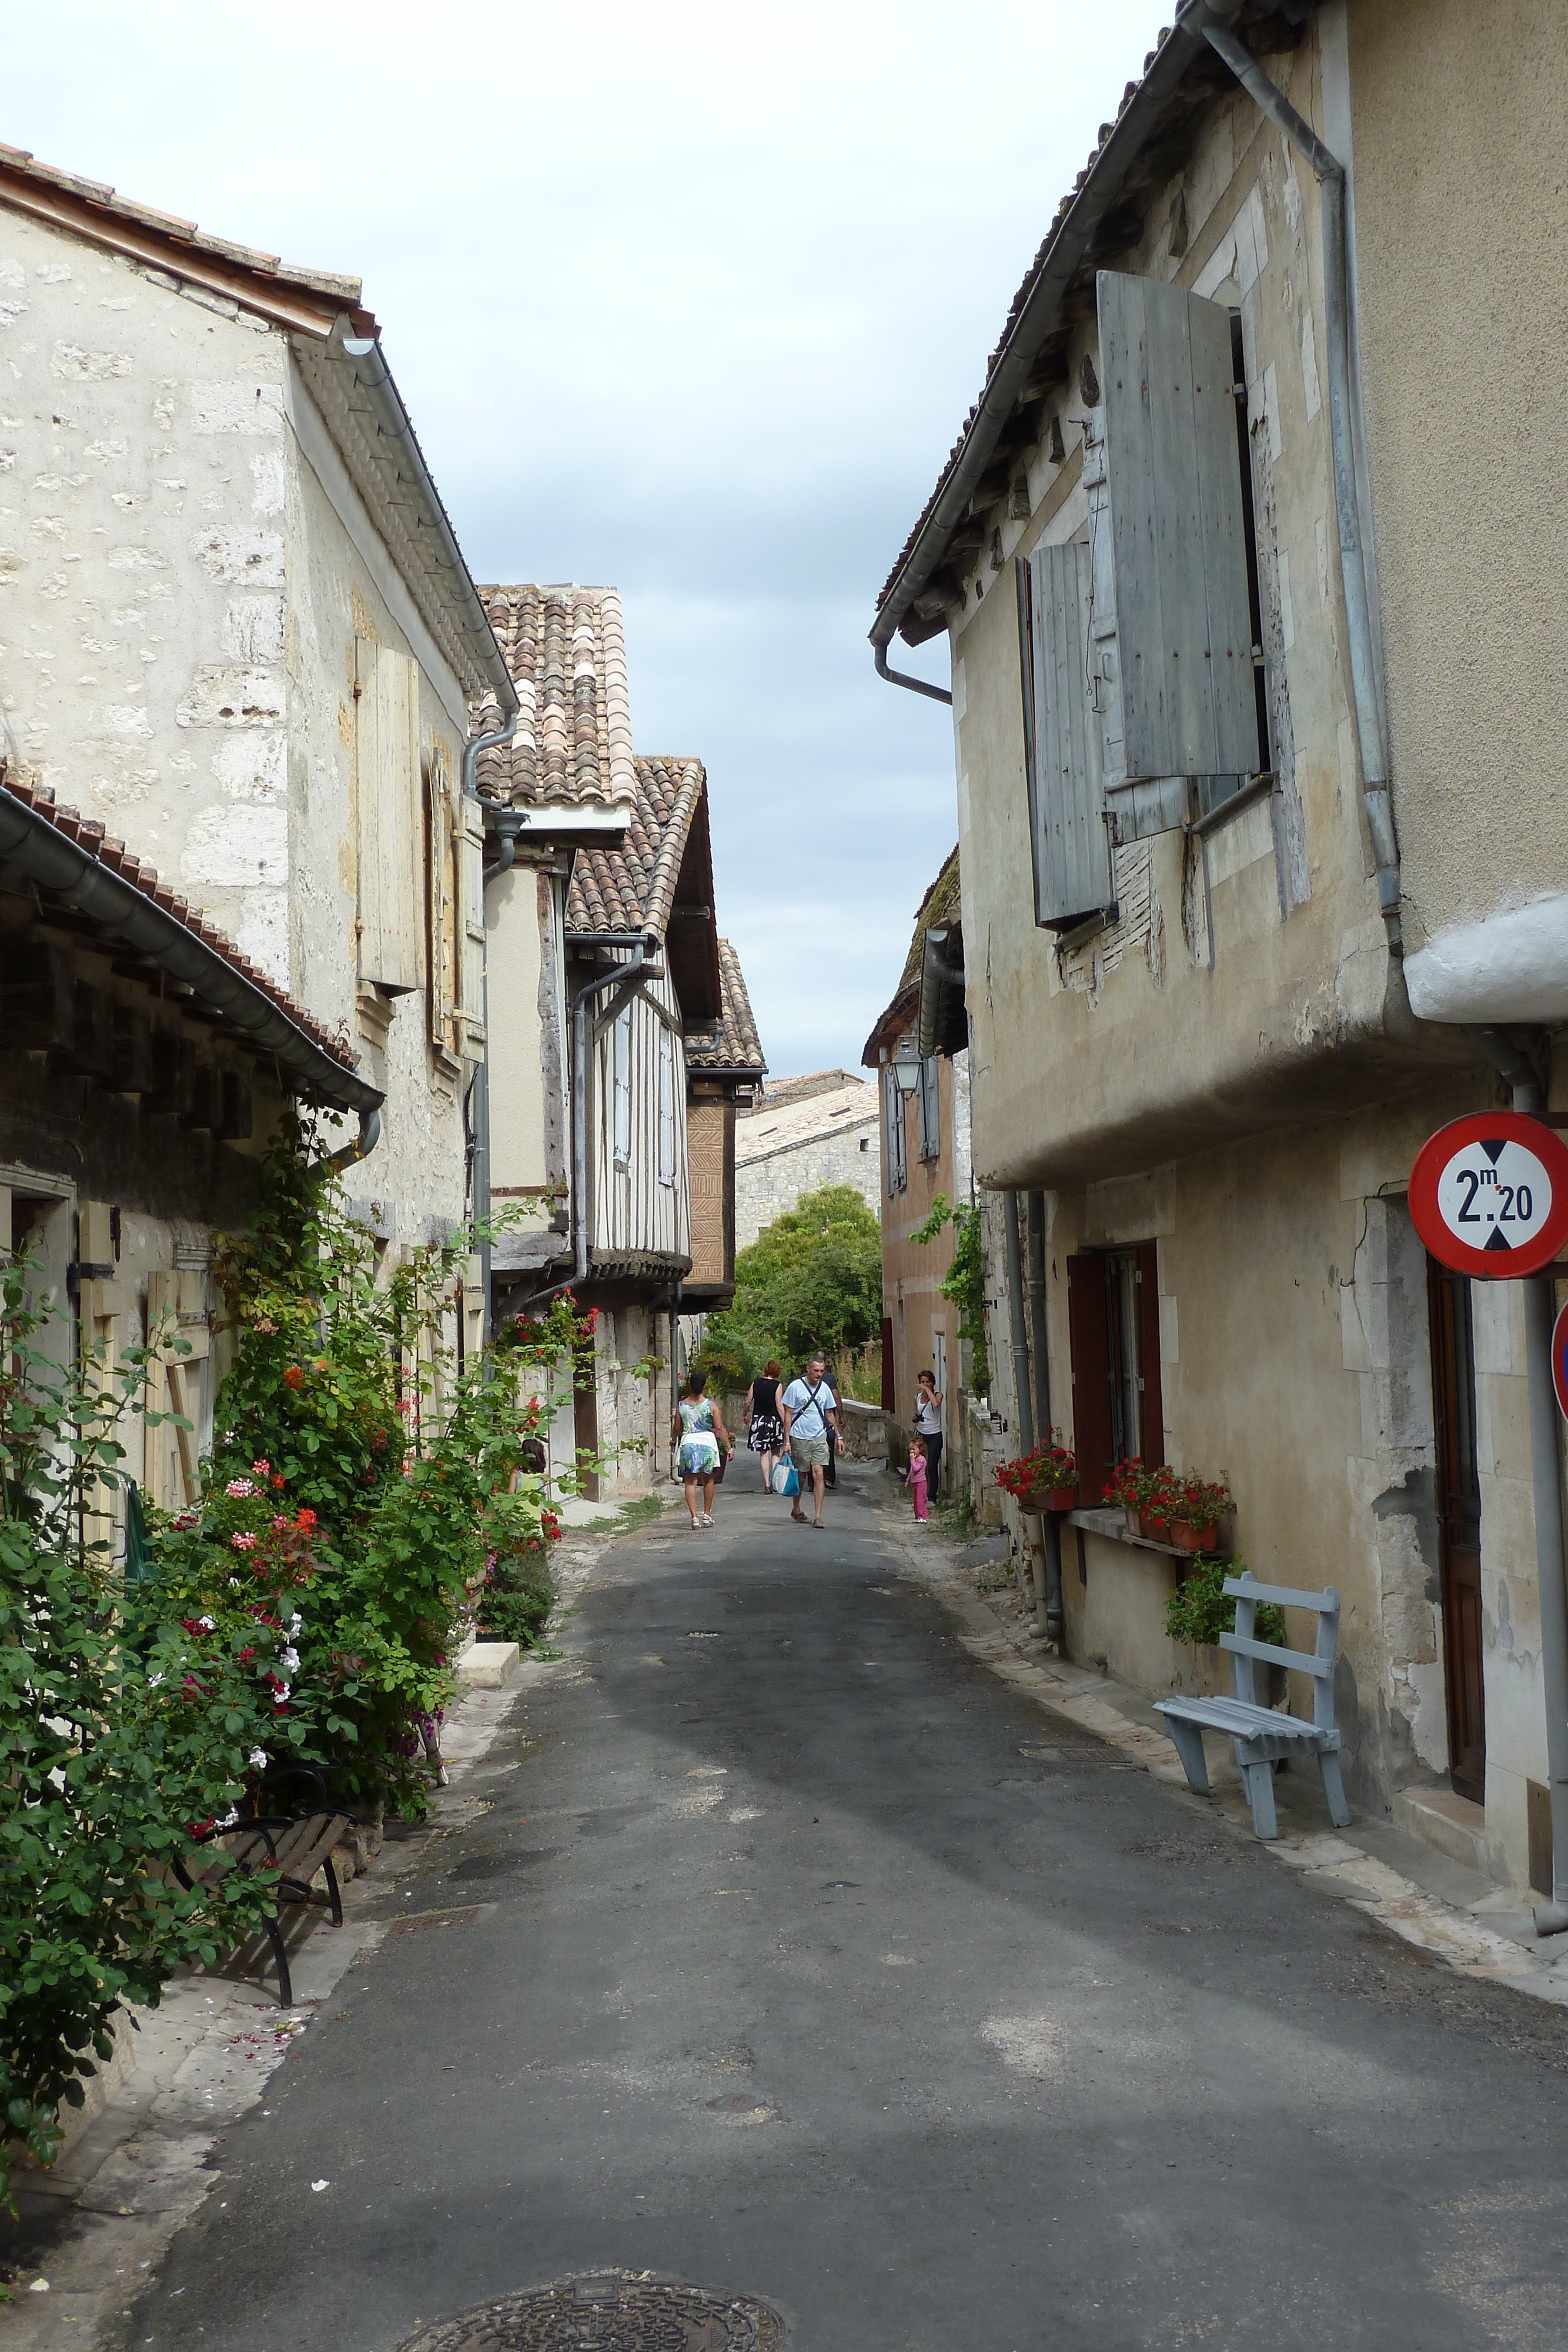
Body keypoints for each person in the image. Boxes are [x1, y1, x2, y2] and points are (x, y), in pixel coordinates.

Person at [779, 1351, 844, 1529]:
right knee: (801, 1476)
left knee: (819, 1474)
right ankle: (797, 1508)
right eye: (816, 1370)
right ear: (808, 1369)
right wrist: (787, 1442)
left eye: (822, 1371)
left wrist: (839, 1436)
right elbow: (788, 1416)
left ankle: (818, 1516)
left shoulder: (824, 1389)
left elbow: (830, 1413)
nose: (819, 1374)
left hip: (819, 1436)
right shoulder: (795, 1387)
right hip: (799, 1436)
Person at [671, 1368, 734, 1529]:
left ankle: (694, 1518)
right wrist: (728, 1447)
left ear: (690, 1386)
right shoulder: (712, 1406)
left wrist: (672, 1440)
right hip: (707, 1444)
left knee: (690, 1482)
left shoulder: (682, 1406)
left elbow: (677, 1427)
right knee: (709, 1480)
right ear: (704, 1387)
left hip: (688, 1444)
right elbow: (719, 1428)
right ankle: (707, 1515)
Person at [744, 1358, 785, 1493]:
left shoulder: (756, 1383)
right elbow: (779, 1405)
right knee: (775, 1452)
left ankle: (767, 1484)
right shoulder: (778, 1385)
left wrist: (744, 1414)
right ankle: (775, 1482)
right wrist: (786, 1422)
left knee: (764, 1453)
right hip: (774, 1421)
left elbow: (748, 1401)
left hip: (759, 1420)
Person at [913, 1368, 944, 1502]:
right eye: (922, 1382)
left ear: (932, 1383)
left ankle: (932, 1497)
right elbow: (918, 1411)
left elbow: (936, 1404)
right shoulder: (918, 1398)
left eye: (927, 1382)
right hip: (921, 1434)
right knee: (919, 1466)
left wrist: (927, 1391)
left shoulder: (938, 1395)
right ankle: (920, 1494)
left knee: (932, 1467)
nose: (925, 1384)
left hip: (935, 1434)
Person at [904, 1434, 930, 1522]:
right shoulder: (914, 1460)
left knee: (920, 1501)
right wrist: (908, 1480)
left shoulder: (922, 1460)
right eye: (910, 1450)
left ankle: (923, 1516)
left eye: (914, 1449)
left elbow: (915, 1469)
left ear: (920, 1449)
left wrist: (912, 1460)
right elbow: (911, 1471)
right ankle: (918, 1517)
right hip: (915, 1482)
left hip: (921, 1483)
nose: (912, 1452)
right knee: (915, 1501)